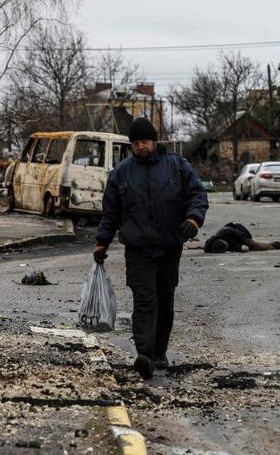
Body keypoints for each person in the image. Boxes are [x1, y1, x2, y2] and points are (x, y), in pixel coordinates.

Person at [94, 118, 209, 379]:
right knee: (145, 300)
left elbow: (197, 195)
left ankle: (159, 352)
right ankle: (144, 354)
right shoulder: (122, 173)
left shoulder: (177, 166)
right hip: (138, 248)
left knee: (165, 299)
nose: (140, 147)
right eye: (135, 143)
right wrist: (101, 242)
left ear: (154, 141)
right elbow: (110, 212)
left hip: (169, 245)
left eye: (144, 141)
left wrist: (194, 220)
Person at [203, 222, 280, 253]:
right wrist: (240, 248)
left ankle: (279, 245)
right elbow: (232, 247)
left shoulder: (231, 233)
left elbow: (244, 239)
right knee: (245, 247)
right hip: (233, 238)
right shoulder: (211, 245)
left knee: (258, 246)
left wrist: (248, 242)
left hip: (240, 232)